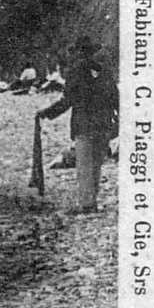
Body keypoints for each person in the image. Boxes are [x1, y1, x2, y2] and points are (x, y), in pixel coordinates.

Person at [37, 38, 118, 213]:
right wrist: (117, 123)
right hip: (104, 124)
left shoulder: (75, 72)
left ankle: (87, 204)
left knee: (84, 165)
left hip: (84, 124)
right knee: (96, 164)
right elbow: (115, 98)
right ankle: (91, 200)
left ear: (80, 52)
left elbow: (68, 100)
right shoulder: (104, 71)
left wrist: (47, 113)